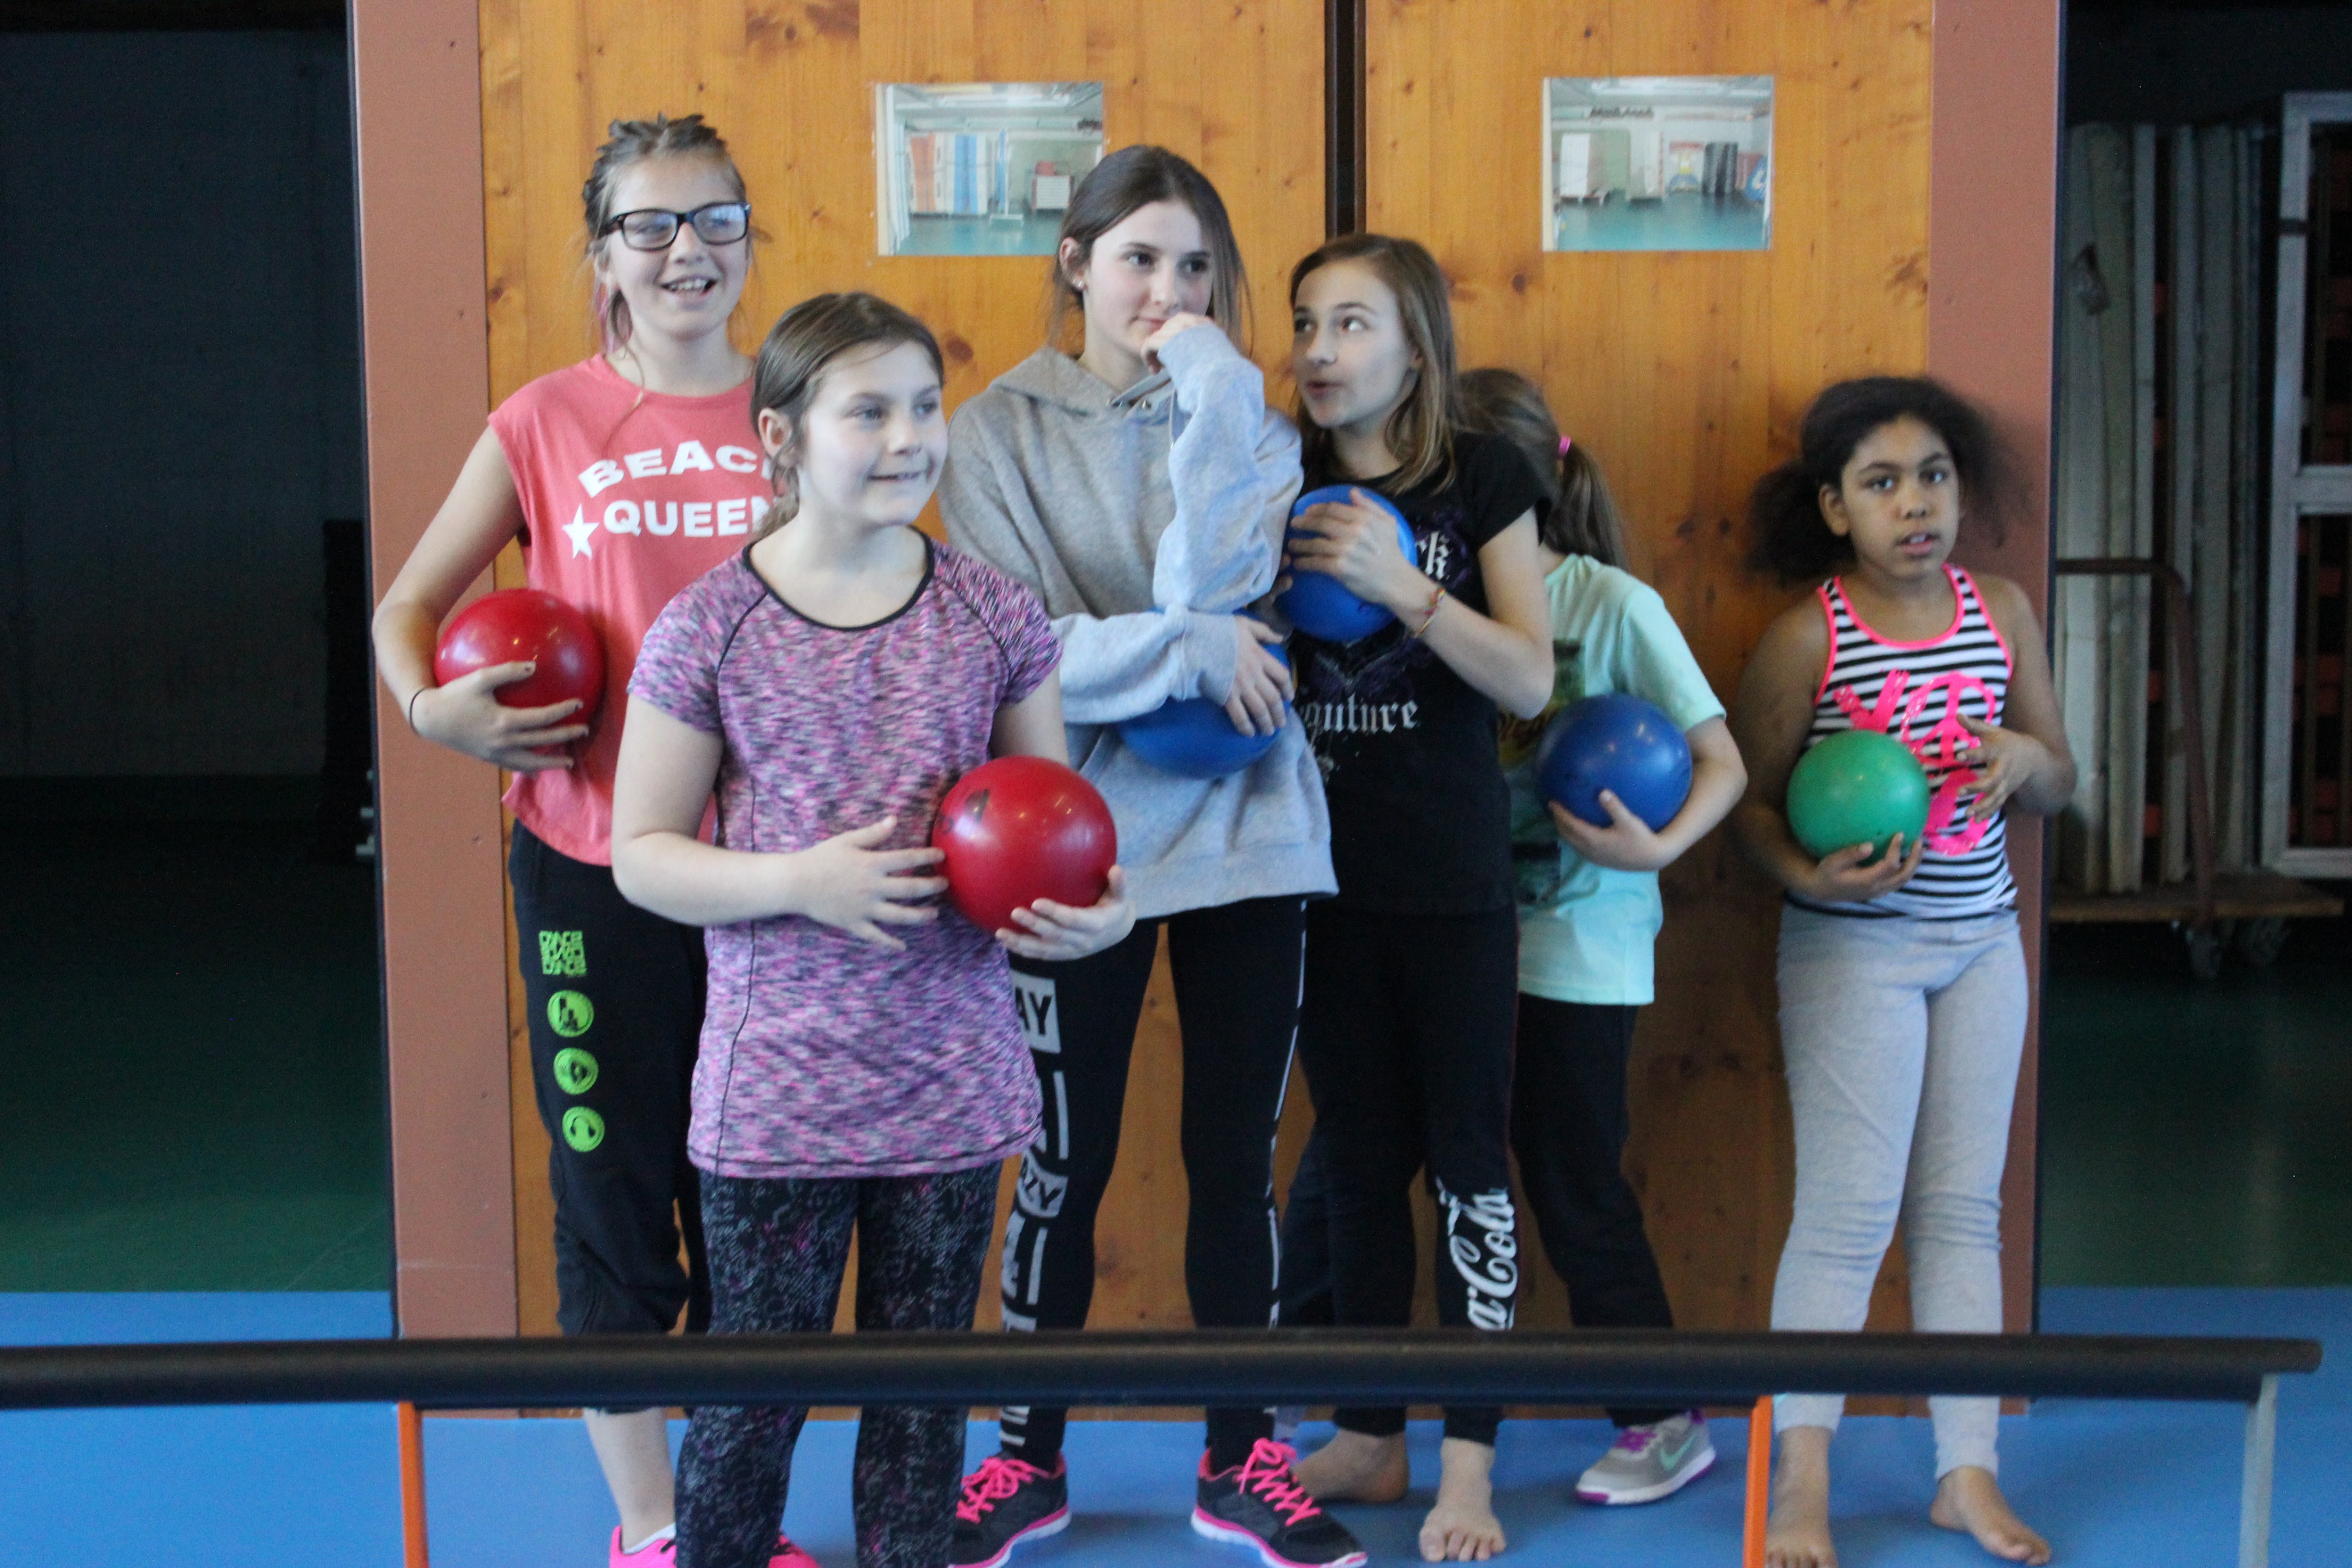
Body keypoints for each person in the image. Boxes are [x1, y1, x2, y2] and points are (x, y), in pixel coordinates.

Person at [609, 291, 1136, 1568]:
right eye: (868, 412)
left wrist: (1094, 912)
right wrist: (801, 881)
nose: (908, 438)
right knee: (752, 1405)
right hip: (778, 1094)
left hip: (949, 1082)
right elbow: (643, 856)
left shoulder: (994, 613)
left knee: (922, 1406)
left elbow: (1053, 826)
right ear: (781, 437)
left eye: (923, 407)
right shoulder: (709, 626)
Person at [370, 113, 782, 1567]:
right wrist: (433, 710)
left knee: (753, 1213)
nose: (687, 250)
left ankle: (737, 1520)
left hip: (774, 878)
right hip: (593, 867)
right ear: (602, 255)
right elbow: (407, 605)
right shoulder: (543, 420)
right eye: (650, 225)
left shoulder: (805, 407)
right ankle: (656, 1530)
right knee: (612, 1192)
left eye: (715, 219)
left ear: (749, 236)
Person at [938, 146, 1360, 1568]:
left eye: (1195, 269)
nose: (1167, 292)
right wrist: (1183, 650)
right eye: (1138, 260)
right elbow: (1026, 650)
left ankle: (1243, 1459)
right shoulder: (992, 430)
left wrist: (1215, 396)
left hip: (1248, 831)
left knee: (1235, 1162)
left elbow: (1218, 590)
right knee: (1061, 1159)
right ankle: (1024, 1457)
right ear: (1076, 262)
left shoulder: (1246, 414)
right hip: (1068, 839)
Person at [1727, 377, 2073, 1568]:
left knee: (1962, 1214)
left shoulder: (2001, 611)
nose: (1914, 504)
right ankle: (1800, 1481)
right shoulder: (1807, 637)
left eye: (1932, 477)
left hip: (1982, 944)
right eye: (1881, 484)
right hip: (1853, 951)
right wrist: (1810, 879)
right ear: (1835, 507)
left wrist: (2026, 756)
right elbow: (1749, 810)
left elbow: (2061, 776)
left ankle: (1964, 1476)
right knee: (1845, 1217)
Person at [1278, 235, 1555, 1564]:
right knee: (1353, 1161)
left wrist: (1401, 587)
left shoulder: (1481, 477)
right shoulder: (1273, 475)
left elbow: (1527, 680)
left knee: (1467, 1169)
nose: (1319, 350)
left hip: (1451, 888)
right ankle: (1371, 1431)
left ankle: (1470, 1465)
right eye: (1305, 323)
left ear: (1415, 347)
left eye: (1351, 324)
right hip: (1319, 884)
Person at [1462, 369, 1747, 1507]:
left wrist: (1656, 847)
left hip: (1581, 948)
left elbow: (1721, 762)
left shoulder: (1610, 605)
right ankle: (1353, 1406)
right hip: (1458, 947)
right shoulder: (1434, 606)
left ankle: (1662, 1416)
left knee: (1572, 1180)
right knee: (1388, 1167)